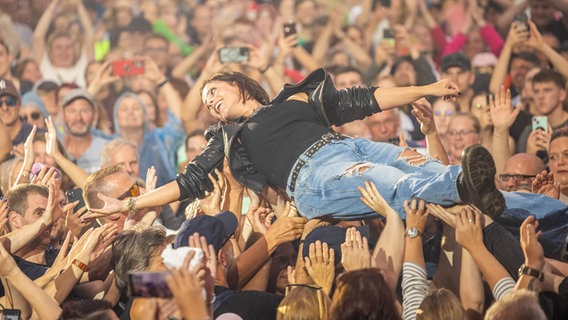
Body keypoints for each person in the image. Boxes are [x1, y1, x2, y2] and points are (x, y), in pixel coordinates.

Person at [90, 68, 508, 221]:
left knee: (433, 170)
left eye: (214, 91)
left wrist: (430, 87)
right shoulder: (227, 138)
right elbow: (189, 181)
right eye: (207, 103)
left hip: (350, 146)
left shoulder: (294, 97)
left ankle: (535, 212)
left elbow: (366, 99)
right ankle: (463, 188)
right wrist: (128, 204)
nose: (211, 102)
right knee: (389, 181)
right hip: (313, 175)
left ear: (237, 84)